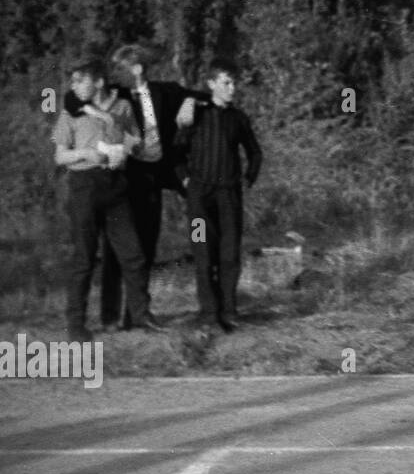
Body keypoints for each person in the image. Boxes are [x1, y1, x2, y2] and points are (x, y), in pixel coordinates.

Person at [52, 60, 162, 341]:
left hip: (116, 188)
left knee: (133, 254)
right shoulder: (70, 112)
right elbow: (59, 156)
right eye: (73, 81)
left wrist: (122, 151)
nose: (74, 86)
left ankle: (140, 316)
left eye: (80, 80)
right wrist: (86, 154)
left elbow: (136, 137)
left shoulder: (122, 106)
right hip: (84, 188)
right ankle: (75, 326)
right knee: (84, 259)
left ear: (99, 82)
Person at [175, 59, 262, 334]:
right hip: (200, 198)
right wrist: (186, 181)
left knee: (229, 254)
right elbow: (176, 152)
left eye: (234, 83)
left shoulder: (238, 118)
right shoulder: (196, 115)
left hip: (229, 196)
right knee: (203, 254)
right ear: (212, 84)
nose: (232, 88)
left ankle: (229, 310)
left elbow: (255, 152)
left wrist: (248, 179)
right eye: (226, 82)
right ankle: (209, 313)